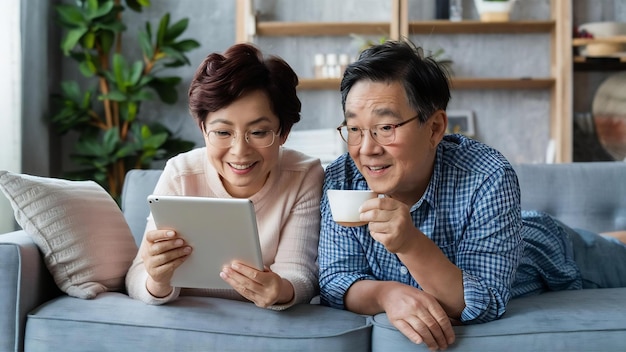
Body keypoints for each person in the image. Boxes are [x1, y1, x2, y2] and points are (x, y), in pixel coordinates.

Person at [318, 39, 626, 350]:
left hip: (550, 251)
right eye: (354, 129)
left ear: (435, 128)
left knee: (615, 253)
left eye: (385, 127)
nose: (367, 149)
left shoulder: (487, 174)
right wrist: (387, 294)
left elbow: (484, 302)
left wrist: (409, 243)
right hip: (505, 230)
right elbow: (336, 280)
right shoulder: (341, 177)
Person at [126, 43, 324, 310]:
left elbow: (299, 273)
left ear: (284, 132)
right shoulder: (181, 173)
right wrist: (158, 279)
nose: (240, 151)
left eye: (259, 132)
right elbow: (138, 275)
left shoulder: (303, 175)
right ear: (203, 129)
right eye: (222, 133)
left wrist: (280, 290)